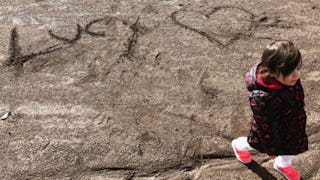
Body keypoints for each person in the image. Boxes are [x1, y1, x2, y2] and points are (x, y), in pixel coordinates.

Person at [231, 40, 308, 180]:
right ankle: (239, 145)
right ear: (272, 72)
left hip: (293, 123)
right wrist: (272, 149)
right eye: (291, 72)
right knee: (255, 143)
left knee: (293, 146)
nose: (297, 75)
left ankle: (283, 164)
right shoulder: (262, 98)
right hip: (270, 133)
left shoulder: (289, 79)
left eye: (297, 69)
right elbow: (265, 128)